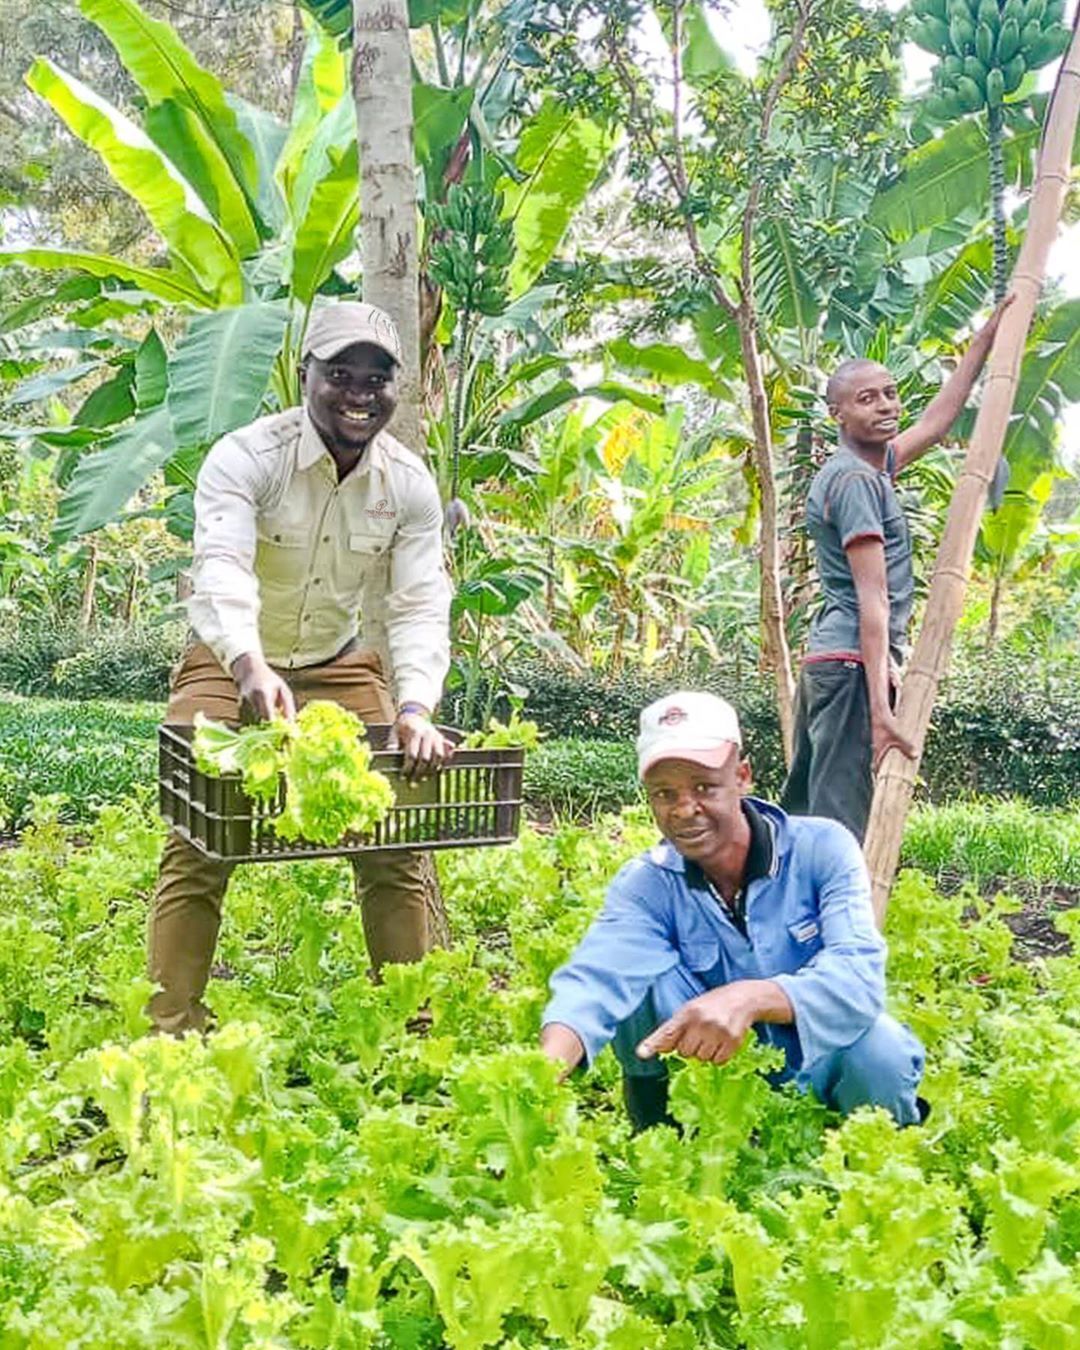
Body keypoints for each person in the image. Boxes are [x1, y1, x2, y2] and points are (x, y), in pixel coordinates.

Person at [148, 301, 453, 1035]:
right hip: (232, 660)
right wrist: (249, 666)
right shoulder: (248, 457)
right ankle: (171, 1027)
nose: (358, 392)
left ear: (395, 389)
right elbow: (220, 569)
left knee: (393, 838)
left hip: (337, 662)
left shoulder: (407, 483)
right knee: (199, 830)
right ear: (305, 375)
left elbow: (417, 604)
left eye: (376, 378)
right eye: (339, 373)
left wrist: (414, 710)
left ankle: (411, 1028)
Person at [540, 691, 925, 1131]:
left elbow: (858, 980)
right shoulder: (647, 881)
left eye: (704, 787)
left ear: (742, 777)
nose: (685, 809)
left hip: (813, 1059)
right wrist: (542, 1075)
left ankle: (872, 1165)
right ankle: (661, 1137)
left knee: (882, 1052)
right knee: (635, 977)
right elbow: (594, 981)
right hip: (713, 1067)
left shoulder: (823, 848)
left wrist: (750, 997)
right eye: (665, 793)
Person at [781, 300, 1011, 842]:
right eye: (866, 399)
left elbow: (935, 423)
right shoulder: (858, 484)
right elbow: (874, 599)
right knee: (838, 830)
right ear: (838, 414)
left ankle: (781, 916)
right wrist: (882, 711)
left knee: (808, 816)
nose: (885, 406)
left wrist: (986, 338)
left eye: (889, 392)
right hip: (851, 667)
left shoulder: (864, 468)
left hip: (829, 663)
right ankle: (829, 922)